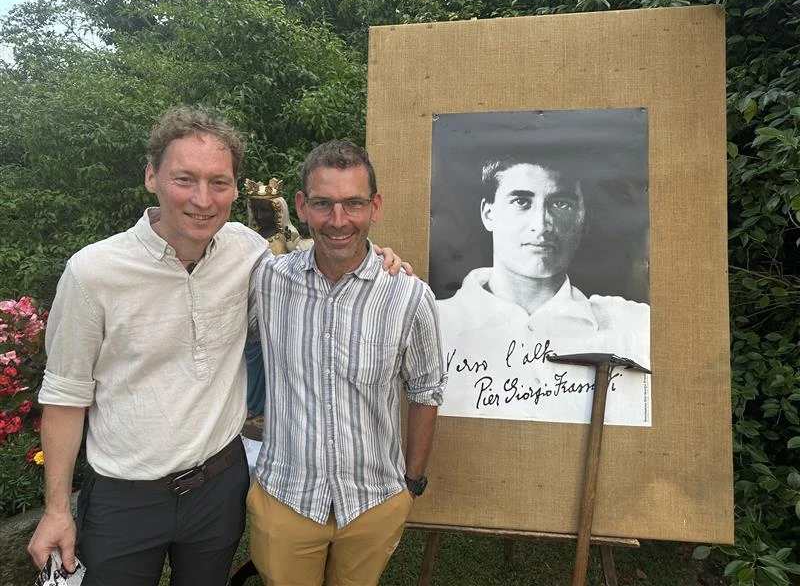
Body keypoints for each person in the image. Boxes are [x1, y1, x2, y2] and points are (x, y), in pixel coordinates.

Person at [27, 107, 407, 586]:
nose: (203, 200)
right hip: (125, 496)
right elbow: (65, 396)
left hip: (218, 488)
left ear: (235, 186)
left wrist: (383, 260)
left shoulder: (248, 252)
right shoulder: (93, 273)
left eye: (219, 182)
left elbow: (327, 254)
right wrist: (57, 509)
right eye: (185, 179)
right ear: (151, 176)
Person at [246, 140, 447, 586]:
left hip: (374, 502)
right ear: (300, 206)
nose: (338, 221)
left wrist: (411, 484)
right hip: (285, 498)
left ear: (374, 206)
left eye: (353, 203)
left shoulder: (409, 295)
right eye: (323, 204)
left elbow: (426, 391)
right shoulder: (266, 281)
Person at [437, 158, 650, 423]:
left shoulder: (632, 325)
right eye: (521, 202)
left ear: (582, 216)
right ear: (488, 213)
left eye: (561, 203)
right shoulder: (435, 322)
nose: (542, 224)